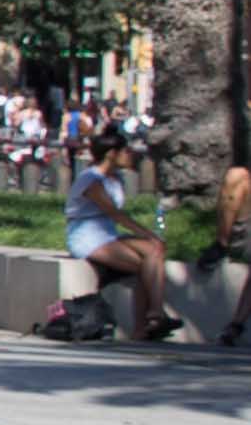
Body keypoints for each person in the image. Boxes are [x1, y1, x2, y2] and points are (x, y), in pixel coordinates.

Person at [65, 138, 182, 341]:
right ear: (111, 153)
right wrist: (147, 233)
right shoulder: (91, 179)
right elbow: (114, 213)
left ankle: (152, 317)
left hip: (108, 234)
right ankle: (152, 317)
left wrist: (151, 238)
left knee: (154, 249)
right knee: (144, 264)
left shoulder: (115, 178)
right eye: (125, 151)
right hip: (86, 236)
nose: (131, 155)